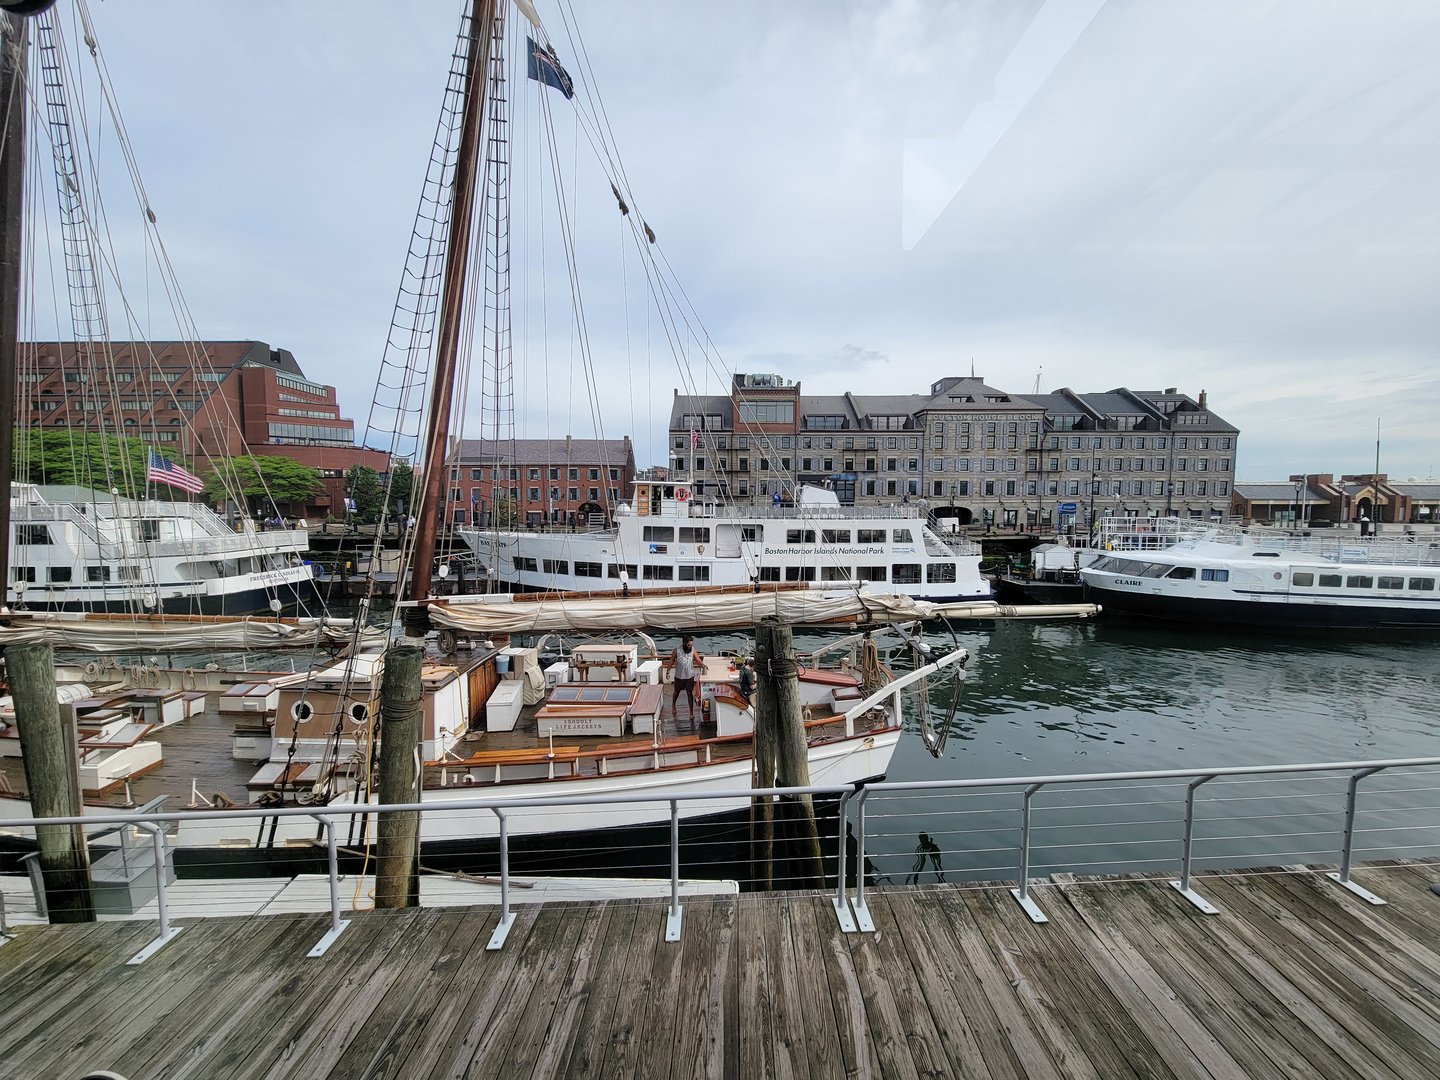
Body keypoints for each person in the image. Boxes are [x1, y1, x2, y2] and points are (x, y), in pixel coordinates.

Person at [670, 634, 702, 725]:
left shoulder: (693, 650)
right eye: (689, 645)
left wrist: (703, 665)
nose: (690, 646)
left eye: (691, 645)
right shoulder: (677, 650)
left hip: (689, 676)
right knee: (677, 691)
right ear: (684, 643)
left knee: (689, 694)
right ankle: (673, 705)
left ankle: (691, 712)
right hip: (679, 676)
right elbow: (671, 660)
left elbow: (698, 660)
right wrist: (668, 671)